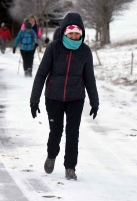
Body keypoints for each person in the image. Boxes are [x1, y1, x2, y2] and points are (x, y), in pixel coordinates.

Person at [29, 13, 99, 180]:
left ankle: (70, 168)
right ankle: (51, 155)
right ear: (64, 32)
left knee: (73, 132)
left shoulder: (85, 51)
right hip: (54, 97)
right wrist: (34, 99)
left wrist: (95, 101)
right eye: (71, 33)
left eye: (77, 33)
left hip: (76, 98)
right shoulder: (54, 48)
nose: (74, 36)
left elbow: (89, 78)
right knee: (56, 130)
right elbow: (41, 74)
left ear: (81, 33)